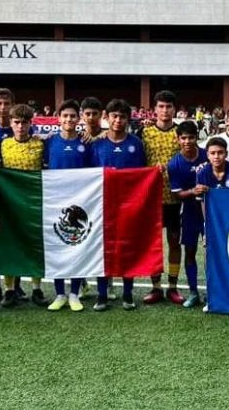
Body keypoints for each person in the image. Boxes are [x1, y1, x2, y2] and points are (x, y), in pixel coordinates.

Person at [90, 98, 146, 311]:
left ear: (127, 119)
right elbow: (88, 176)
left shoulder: (135, 144)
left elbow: (143, 175)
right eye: (114, 116)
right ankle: (102, 294)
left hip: (129, 207)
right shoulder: (97, 144)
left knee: (127, 249)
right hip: (102, 206)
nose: (118, 120)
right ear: (107, 117)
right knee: (102, 250)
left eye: (122, 117)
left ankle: (128, 293)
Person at [138, 90, 185, 305]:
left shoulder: (181, 133)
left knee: (174, 242)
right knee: (153, 244)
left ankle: (173, 287)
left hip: (175, 198)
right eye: (161, 106)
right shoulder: (144, 133)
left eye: (169, 107)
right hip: (151, 197)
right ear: (154, 109)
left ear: (175, 109)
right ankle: (155, 287)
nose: (165, 111)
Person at [43, 98, 90, 311]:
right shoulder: (50, 142)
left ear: (78, 118)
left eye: (73, 116)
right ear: (58, 118)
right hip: (56, 204)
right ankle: (60, 294)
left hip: (81, 202)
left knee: (78, 246)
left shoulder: (86, 142)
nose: (69, 119)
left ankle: (74, 294)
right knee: (57, 248)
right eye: (65, 116)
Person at [0, 103, 47, 307]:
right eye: (16, 122)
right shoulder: (4, 144)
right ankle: (9, 290)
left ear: (30, 123)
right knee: (10, 244)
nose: (20, 126)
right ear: (11, 123)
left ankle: (36, 288)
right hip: (10, 203)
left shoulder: (40, 144)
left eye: (24, 122)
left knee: (34, 244)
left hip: (34, 202)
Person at [168, 121, 209, 308]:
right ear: (177, 139)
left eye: (191, 137)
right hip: (190, 213)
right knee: (190, 251)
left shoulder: (208, 155)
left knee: (214, 252)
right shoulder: (175, 163)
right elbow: (176, 194)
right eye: (183, 138)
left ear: (196, 137)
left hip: (210, 212)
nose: (187, 141)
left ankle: (214, 291)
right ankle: (193, 292)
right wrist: (193, 191)